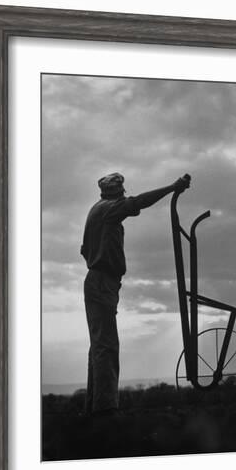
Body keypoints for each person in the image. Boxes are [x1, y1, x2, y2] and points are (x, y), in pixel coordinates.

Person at [80, 172, 191, 416]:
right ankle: (105, 409)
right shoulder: (108, 209)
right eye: (121, 194)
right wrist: (173, 187)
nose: (124, 197)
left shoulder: (98, 210)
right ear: (115, 194)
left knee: (100, 344)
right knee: (106, 345)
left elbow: (83, 249)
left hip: (100, 281)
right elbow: (139, 202)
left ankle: (94, 407)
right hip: (102, 282)